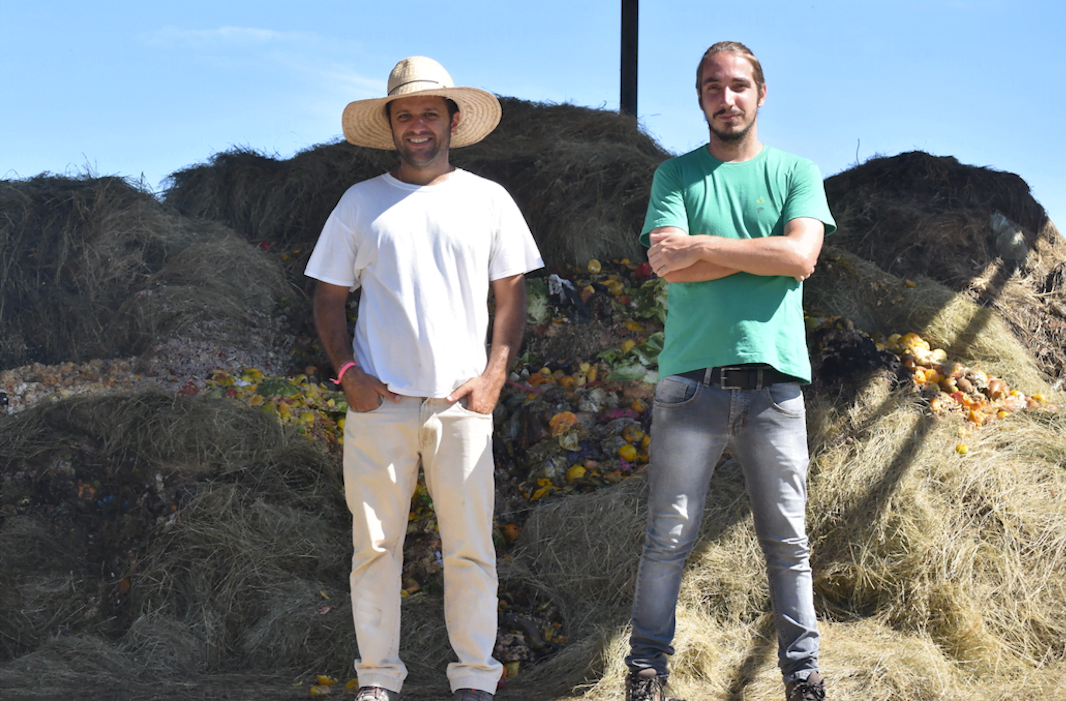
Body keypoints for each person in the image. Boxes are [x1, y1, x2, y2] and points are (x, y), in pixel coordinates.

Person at [304, 56, 543, 701]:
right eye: (404, 114)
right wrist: (348, 372)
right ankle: (378, 680)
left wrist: (494, 374)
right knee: (374, 548)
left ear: (452, 120)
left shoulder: (488, 199)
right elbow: (328, 298)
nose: (417, 124)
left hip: (460, 405)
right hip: (379, 404)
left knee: (469, 549)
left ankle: (474, 680)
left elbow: (512, 293)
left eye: (428, 113)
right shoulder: (361, 203)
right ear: (390, 125)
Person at [624, 42, 836, 701]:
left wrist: (701, 248)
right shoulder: (675, 176)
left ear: (761, 94)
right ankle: (646, 669)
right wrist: (757, 253)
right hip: (691, 384)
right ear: (700, 98)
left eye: (739, 85)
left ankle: (802, 676)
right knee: (667, 537)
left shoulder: (798, 171)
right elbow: (664, 263)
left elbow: (800, 256)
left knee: (788, 541)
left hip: (774, 386)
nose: (727, 97)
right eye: (713, 86)